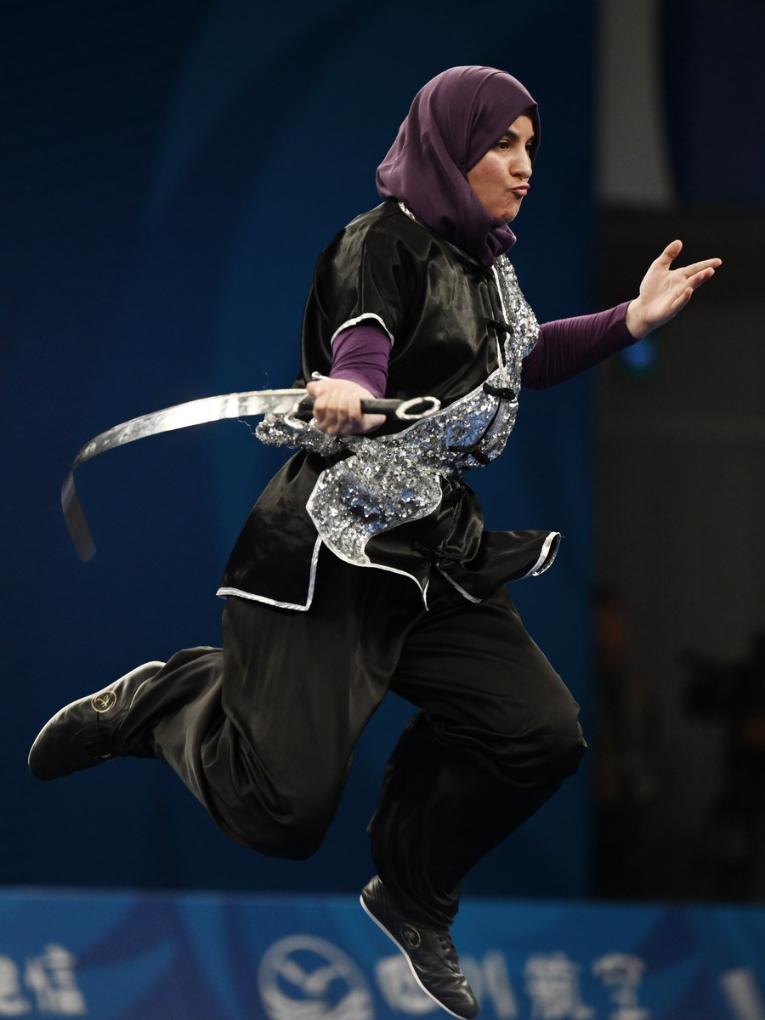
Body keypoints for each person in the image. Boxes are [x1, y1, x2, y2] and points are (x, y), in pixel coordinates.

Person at [29, 66, 720, 1019]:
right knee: (280, 816)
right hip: (332, 549)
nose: (523, 166)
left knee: (536, 734)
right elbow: (360, 343)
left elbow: (517, 362)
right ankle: (169, 697)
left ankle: (411, 891)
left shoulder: (486, 261)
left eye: (530, 146)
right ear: (447, 147)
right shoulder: (377, 244)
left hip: (433, 550)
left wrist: (627, 322)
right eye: (502, 145)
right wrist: (350, 388)